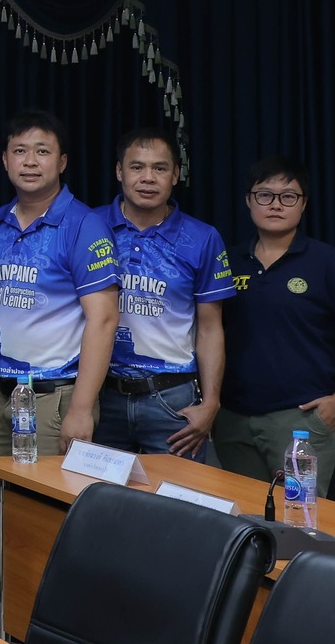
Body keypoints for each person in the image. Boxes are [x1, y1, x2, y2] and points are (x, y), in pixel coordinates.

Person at [215, 156, 335, 495]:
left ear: (303, 204)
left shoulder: (328, 263)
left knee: (302, 518)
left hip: (303, 424)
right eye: (265, 195)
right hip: (232, 419)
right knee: (242, 516)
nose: (276, 204)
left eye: (288, 196)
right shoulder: (227, 262)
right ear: (248, 200)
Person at [0, 110, 119, 455]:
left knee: (50, 492)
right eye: (20, 151)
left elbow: (104, 319)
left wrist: (81, 409)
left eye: (42, 151)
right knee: (0, 489)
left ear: (62, 162)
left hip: (54, 396)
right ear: (5, 161)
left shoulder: (84, 225)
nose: (30, 161)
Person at [96, 128, 233, 463]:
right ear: (119, 171)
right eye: (137, 167)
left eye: (159, 168)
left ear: (175, 175)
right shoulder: (89, 226)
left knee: (177, 495)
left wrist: (211, 403)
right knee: (95, 495)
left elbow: (210, 327)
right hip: (101, 395)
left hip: (172, 399)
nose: (148, 178)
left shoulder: (203, 237)